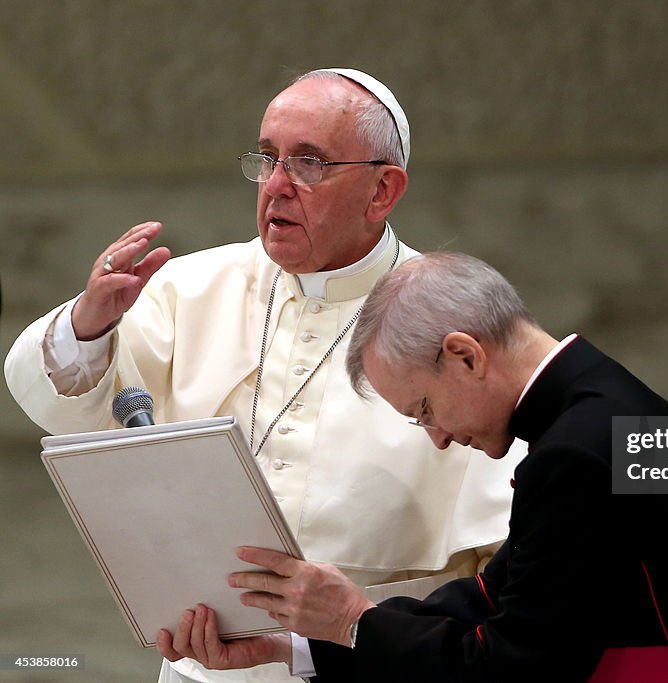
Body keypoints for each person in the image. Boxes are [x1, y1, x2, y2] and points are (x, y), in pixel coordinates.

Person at [4, 72, 519, 683]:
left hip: (380, 665)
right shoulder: (186, 286)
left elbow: (505, 554)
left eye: (309, 163)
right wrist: (89, 326)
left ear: (382, 191)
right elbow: (66, 406)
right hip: (206, 666)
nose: (276, 186)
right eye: (267, 158)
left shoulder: (454, 315)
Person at [156, 252, 668, 681]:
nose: (437, 439)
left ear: (465, 355)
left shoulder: (575, 456)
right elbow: (496, 597)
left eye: (425, 409)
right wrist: (297, 641)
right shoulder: (603, 399)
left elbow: (511, 670)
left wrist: (356, 623)